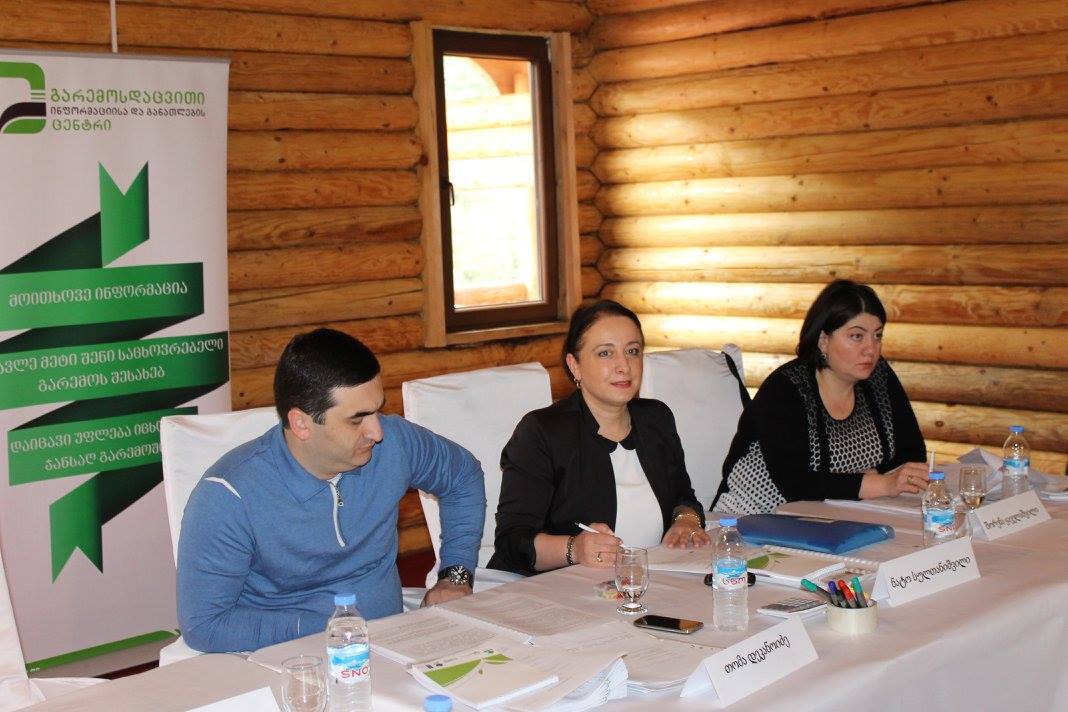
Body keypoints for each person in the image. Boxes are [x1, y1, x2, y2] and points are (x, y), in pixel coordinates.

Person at [177, 328, 486, 653]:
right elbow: (204, 624)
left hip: (392, 642)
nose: (377, 432)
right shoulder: (227, 496)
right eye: (357, 420)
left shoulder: (396, 443)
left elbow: (462, 476)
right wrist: (334, 628)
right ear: (301, 424)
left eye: (377, 410)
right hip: (287, 656)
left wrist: (456, 575)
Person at [488, 300, 710, 578]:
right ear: (575, 365)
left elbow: (683, 497)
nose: (624, 366)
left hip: (644, 579)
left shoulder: (657, 418)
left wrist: (686, 521)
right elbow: (512, 541)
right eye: (605, 353)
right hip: (552, 587)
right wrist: (574, 549)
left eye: (632, 351)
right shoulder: (541, 431)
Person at [712, 280, 929, 514]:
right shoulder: (786, 388)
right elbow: (795, 483)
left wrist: (862, 481)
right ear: (823, 340)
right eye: (857, 336)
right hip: (753, 516)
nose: (871, 348)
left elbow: (912, 454)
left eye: (877, 335)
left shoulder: (878, 378)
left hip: (833, 515)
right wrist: (879, 483)